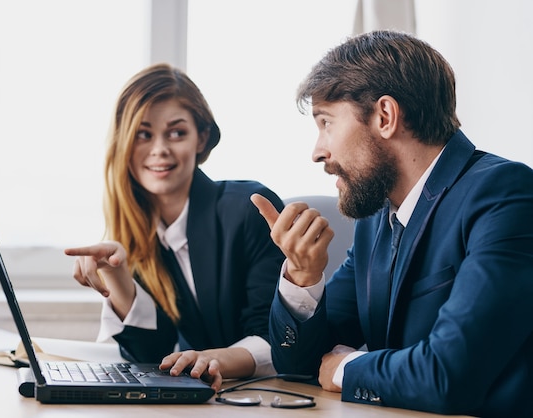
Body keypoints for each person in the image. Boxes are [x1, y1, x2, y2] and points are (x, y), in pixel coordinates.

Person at [251, 30, 533, 417]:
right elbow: (300, 366)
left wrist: (347, 367)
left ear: (385, 116)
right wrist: (302, 275)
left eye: (327, 123)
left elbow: (447, 375)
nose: (318, 152)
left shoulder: (505, 193)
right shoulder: (376, 222)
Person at [64, 63, 285, 391]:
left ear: (202, 138)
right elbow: (153, 354)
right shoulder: (138, 233)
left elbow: (277, 338)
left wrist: (217, 359)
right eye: (143, 134)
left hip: (271, 394)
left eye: (177, 132)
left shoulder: (249, 208)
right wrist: (117, 276)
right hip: (211, 401)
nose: (159, 149)